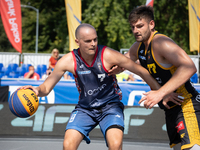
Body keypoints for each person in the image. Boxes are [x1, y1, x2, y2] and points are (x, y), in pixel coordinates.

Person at [19, 23, 162, 150]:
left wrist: (160, 92)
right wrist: (37, 90)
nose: (93, 44)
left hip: (110, 106)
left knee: (115, 145)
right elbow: (47, 87)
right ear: (77, 42)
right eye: (88, 41)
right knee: (68, 145)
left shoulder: (107, 54)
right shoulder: (68, 60)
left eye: (95, 39)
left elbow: (140, 70)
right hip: (85, 109)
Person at [110, 5, 200, 150]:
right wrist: (103, 67)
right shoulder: (137, 47)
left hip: (187, 105)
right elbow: (121, 63)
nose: (136, 31)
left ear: (152, 24)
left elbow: (189, 67)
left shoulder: (161, 43)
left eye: (140, 26)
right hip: (171, 109)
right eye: (133, 27)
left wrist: (160, 92)